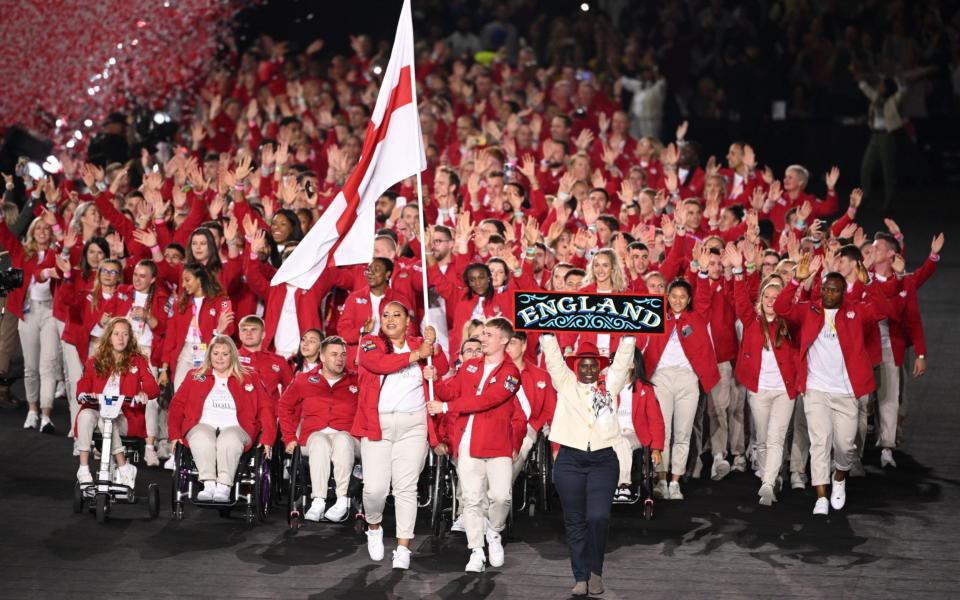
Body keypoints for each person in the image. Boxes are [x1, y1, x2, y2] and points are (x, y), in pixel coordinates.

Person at [774, 255, 890, 515]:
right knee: (819, 442)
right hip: (816, 390)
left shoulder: (855, 311)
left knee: (845, 445)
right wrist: (795, 280)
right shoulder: (809, 309)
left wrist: (868, 282)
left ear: (842, 292)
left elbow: (883, 310)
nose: (828, 294)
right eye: (825, 288)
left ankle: (839, 478)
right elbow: (782, 308)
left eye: (834, 290)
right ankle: (821, 496)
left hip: (847, 391)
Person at [352, 300, 449, 570]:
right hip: (377, 425)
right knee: (375, 490)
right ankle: (374, 525)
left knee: (406, 488)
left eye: (397, 315)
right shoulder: (370, 342)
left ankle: (403, 547)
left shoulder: (422, 342)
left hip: (413, 424)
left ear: (408, 321)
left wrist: (435, 349)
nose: (390, 319)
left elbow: (442, 369)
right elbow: (378, 363)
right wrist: (416, 355)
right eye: (385, 315)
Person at [541, 332, 636, 597]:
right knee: (574, 521)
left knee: (598, 517)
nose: (589, 369)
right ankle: (581, 576)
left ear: (600, 366)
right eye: (583, 365)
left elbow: (622, 362)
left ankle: (596, 570)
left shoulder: (610, 384)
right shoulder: (566, 384)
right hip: (570, 459)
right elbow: (553, 361)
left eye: (593, 364)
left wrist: (628, 339)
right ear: (575, 367)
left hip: (603, 460)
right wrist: (548, 336)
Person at [428, 317, 524, 573]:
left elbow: (487, 400)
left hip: (497, 442)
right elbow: (450, 391)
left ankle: (494, 532)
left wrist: (447, 407)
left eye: (489, 335)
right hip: (468, 440)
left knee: (501, 497)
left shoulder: (511, 373)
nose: (482, 339)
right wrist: (435, 380)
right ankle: (476, 551)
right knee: (471, 500)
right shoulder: (469, 366)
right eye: (482, 334)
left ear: (504, 340)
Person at [167, 335, 275, 502]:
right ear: (209, 354)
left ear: (233, 355)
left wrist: (268, 438)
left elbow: (266, 407)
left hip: (237, 427)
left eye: (225, 354)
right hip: (202, 424)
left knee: (229, 439)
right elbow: (177, 406)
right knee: (201, 436)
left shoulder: (249, 376)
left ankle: (224, 486)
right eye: (215, 353)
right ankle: (208, 484)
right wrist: (174, 434)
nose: (219, 358)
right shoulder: (194, 375)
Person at [728, 247, 798, 506]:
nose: (770, 300)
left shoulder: (790, 322)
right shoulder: (751, 321)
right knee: (762, 437)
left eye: (775, 296)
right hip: (759, 390)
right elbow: (739, 301)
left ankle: (768, 483)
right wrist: (738, 271)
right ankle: (770, 475)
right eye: (766, 295)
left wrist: (798, 281)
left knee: (776, 436)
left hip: (783, 391)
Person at [638, 278, 719, 500]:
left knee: (683, 433)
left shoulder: (697, 317)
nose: (677, 301)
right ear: (667, 297)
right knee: (662, 432)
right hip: (661, 378)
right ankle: (661, 479)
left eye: (682, 297)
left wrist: (701, 274)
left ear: (689, 299)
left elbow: (704, 297)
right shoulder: (656, 316)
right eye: (673, 296)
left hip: (687, 379)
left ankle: (675, 481)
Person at [279, 336, 358, 522]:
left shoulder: (357, 380)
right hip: (313, 440)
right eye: (334, 354)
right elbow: (284, 406)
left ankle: (341, 500)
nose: (339, 359)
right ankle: (319, 500)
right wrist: (289, 437)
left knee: (342, 439)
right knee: (318, 439)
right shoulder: (304, 380)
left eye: (343, 355)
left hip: (348, 439)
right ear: (322, 357)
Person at [75, 318, 160, 487]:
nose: (121, 338)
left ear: (130, 338)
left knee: (106, 419)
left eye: (125, 334)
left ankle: (122, 466)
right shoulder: (95, 361)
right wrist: (84, 394)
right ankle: (83, 469)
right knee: (85, 415)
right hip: (98, 410)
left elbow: (153, 387)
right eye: (116, 334)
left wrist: (144, 392)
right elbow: (83, 384)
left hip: (126, 416)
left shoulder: (138, 360)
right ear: (109, 337)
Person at [0, 213, 59, 432]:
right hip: (28, 312)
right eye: (38, 228)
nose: (43, 231)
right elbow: (5, 236)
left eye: (46, 228)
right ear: (32, 232)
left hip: (51, 313)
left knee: (49, 365)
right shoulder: (21, 252)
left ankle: (46, 415)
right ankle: (32, 410)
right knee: (31, 367)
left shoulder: (56, 253)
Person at [612, 345, 664, 501]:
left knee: (622, 443)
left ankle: (623, 485)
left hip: (633, 434)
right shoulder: (607, 385)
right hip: (610, 432)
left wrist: (656, 449)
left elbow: (656, 420)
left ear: (633, 364)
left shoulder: (645, 389)